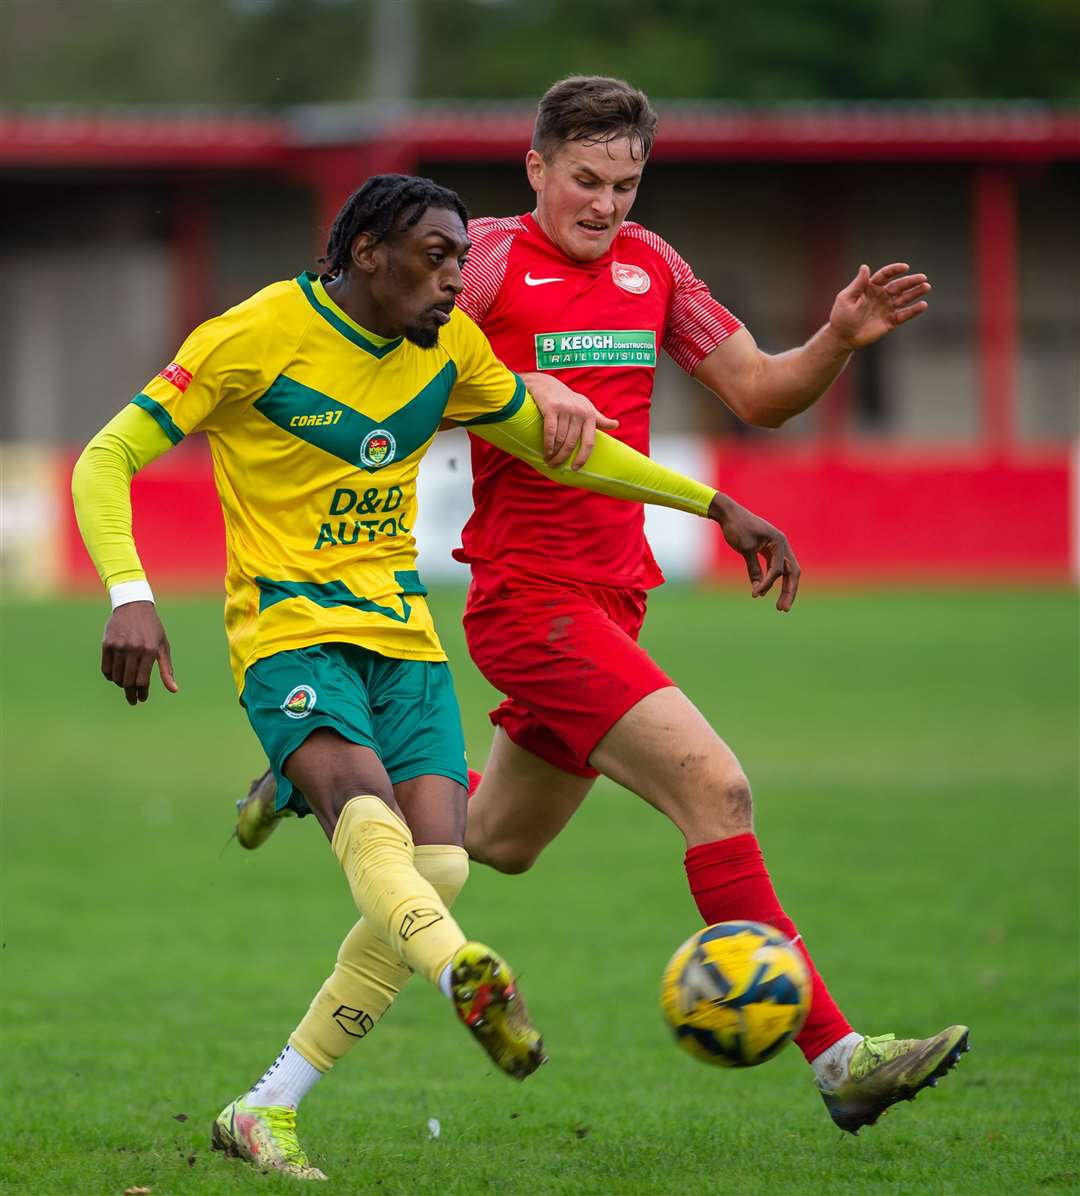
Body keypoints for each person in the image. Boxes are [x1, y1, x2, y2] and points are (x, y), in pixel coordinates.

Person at [238, 79, 969, 1139]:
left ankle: (311, 775)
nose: (606, 203)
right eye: (585, 179)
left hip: (614, 600)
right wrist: (523, 392)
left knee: (496, 836)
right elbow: (374, 364)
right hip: (527, 601)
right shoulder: (478, 260)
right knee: (717, 787)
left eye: (626, 182)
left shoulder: (654, 266)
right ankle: (841, 1057)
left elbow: (759, 391)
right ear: (536, 166)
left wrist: (840, 337)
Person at [73, 172, 802, 1181]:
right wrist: (129, 590)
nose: (459, 278)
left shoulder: (447, 351)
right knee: (375, 826)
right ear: (367, 252)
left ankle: (264, 1105)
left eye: (463, 257)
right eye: (437, 255)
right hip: (288, 629)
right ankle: (461, 960)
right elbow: (105, 457)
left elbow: (568, 453)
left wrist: (714, 504)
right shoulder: (251, 335)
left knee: (442, 868)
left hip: (403, 634)